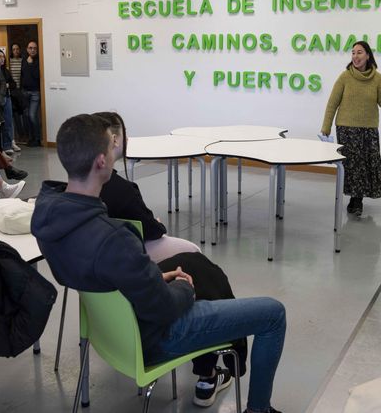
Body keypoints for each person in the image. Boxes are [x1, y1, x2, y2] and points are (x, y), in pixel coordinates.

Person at [31, 114, 286, 413]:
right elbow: (165, 308)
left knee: (191, 263)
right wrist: (182, 287)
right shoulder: (114, 238)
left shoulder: (47, 216)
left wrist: (156, 276)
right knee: (272, 314)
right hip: (158, 336)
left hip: (109, 333)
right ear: (101, 161)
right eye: (110, 149)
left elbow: (111, 277)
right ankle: (258, 409)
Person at [95, 111, 202, 262]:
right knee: (193, 252)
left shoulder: (78, 187)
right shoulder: (123, 191)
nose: (127, 138)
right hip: (123, 255)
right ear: (114, 140)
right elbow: (151, 231)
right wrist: (158, 225)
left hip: (91, 259)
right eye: (124, 133)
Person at [320, 41, 381, 217]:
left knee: (366, 165)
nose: (355, 56)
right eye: (353, 53)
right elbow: (332, 103)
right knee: (353, 166)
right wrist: (326, 126)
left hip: (369, 129)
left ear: (368, 55)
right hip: (347, 129)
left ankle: (357, 199)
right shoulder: (345, 77)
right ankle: (356, 200)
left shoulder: (377, 78)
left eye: (359, 52)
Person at [0, 48, 16, 154]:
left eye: (3, 57)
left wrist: (7, 85)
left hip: (7, 97)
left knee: (8, 121)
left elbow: (13, 84)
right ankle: (0, 146)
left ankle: (8, 144)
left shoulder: (5, 70)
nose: (2, 59)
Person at [20, 41, 41, 147]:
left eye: (34, 48)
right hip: (24, 92)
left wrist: (31, 64)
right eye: (30, 48)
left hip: (35, 92)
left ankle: (37, 139)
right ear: (27, 49)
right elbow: (22, 75)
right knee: (26, 116)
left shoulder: (38, 60)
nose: (32, 50)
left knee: (33, 116)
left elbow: (37, 76)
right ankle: (30, 138)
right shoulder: (24, 59)